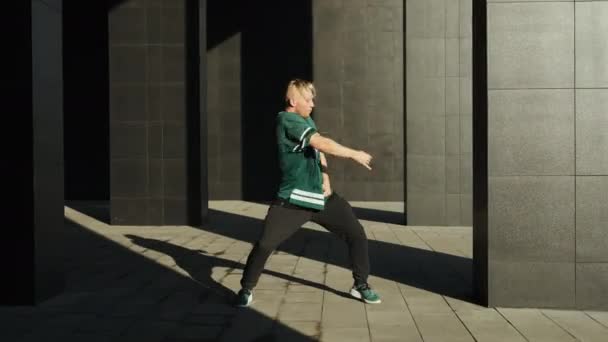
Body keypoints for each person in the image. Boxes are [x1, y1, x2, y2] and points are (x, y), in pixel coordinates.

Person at [235, 79, 381, 307]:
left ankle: (360, 285)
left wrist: (325, 177)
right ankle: (246, 288)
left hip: (322, 198)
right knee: (265, 244)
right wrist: (354, 154)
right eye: (308, 99)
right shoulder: (287, 119)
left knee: (357, 234)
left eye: (313, 99)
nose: (312, 103)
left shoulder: (305, 118)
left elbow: (317, 150)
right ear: (293, 101)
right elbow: (321, 143)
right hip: (293, 200)